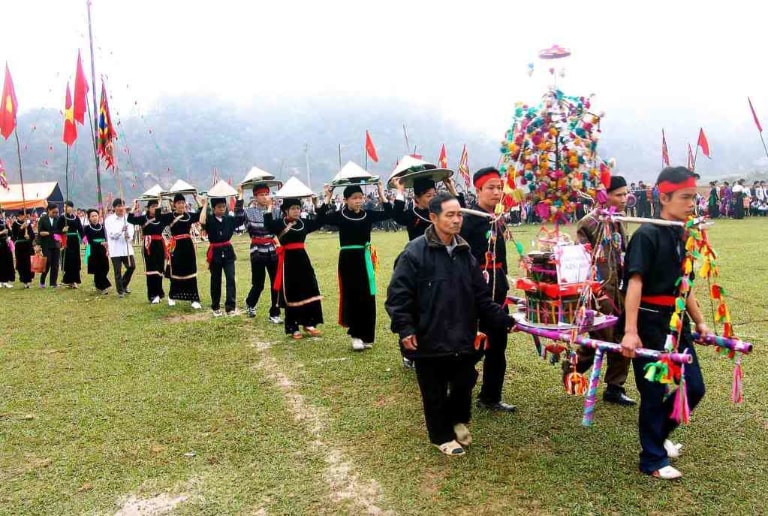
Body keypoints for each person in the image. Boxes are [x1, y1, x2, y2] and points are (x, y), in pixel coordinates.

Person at [386, 192, 513, 456]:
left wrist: (505, 320)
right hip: (428, 333)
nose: (457, 220)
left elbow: (481, 296)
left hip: (462, 332)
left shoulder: (465, 253)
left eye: (459, 215)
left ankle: (457, 420)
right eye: (450, 215)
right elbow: (398, 296)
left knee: (465, 380)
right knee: (433, 389)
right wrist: (405, 328)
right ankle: (441, 436)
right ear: (433, 218)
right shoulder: (414, 253)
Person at [619, 166, 710, 480]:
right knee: (653, 392)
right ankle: (652, 460)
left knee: (694, 387)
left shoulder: (683, 233)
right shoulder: (646, 234)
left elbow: (685, 284)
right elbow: (634, 284)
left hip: (676, 322)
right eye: (685, 197)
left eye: (693, 197)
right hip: (648, 323)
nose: (691, 204)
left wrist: (700, 323)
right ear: (663, 196)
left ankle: (659, 434)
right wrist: (630, 332)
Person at [574, 176, 635, 406]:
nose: (623, 199)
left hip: (621, 288)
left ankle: (615, 387)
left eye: (624, 194)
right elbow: (581, 259)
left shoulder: (619, 219)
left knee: (622, 336)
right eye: (618, 194)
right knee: (600, 339)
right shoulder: (588, 222)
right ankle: (573, 368)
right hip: (599, 291)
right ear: (605, 195)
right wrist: (594, 290)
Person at [391, 176, 464, 368]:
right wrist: (399, 190)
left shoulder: (443, 214)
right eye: (428, 196)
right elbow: (396, 214)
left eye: (434, 194)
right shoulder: (413, 215)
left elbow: (460, 210)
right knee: (415, 309)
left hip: (441, 266)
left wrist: (450, 187)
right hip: (417, 267)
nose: (432, 199)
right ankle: (409, 352)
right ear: (417, 199)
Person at [459, 167, 516, 413]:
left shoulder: (497, 218)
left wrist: (503, 281)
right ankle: (453, 388)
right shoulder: (468, 220)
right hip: (476, 292)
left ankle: (490, 396)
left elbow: (500, 256)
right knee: (472, 345)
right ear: (478, 190)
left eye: (498, 187)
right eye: (490, 188)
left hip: (498, 288)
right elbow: (462, 259)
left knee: (498, 345)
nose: (496, 192)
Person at [316, 182, 392, 351]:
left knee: (368, 295)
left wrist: (381, 192)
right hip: (348, 260)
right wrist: (328, 196)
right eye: (354, 198)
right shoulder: (340, 215)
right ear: (346, 200)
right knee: (353, 295)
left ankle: (367, 335)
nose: (358, 201)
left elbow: (390, 213)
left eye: (360, 197)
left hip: (365, 259)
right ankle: (355, 335)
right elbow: (320, 219)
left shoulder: (368, 214)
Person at [264, 197, 323, 339]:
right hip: (288, 262)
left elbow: (320, 221)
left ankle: (309, 323)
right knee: (292, 292)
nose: (296, 211)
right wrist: (269, 206)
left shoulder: (304, 223)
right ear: (286, 211)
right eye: (293, 208)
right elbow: (268, 224)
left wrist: (316, 204)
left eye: (298, 208)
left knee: (309, 289)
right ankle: (292, 327)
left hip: (303, 260)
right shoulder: (279, 224)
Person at [199, 193, 247, 316]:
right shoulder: (209, 219)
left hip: (228, 251)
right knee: (216, 280)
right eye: (219, 207)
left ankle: (230, 307)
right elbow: (201, 221)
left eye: (223, 206)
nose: (222, 209)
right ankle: (215, 307)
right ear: (214, 208)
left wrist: (240, 197)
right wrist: (204, 205)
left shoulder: (229, 219)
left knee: (231, 278)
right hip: (215, 252)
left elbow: (240, 218)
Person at [243, 183, 282, 323]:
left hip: (273, 249)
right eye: (261, 195)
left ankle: (275, 313)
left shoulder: (276, 211)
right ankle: (250, 303)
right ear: (255, 197)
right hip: (257, 250)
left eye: (267, 194)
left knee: (276, 283)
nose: (265, 197)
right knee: (258, 283)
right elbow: (237, 215)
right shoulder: (248, 212)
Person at [158, 194, 203, 309]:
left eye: (183, 203)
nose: (181, 205)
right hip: (176, 246)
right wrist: (159, 201)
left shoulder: (189, 216)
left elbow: (201, 214)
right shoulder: (169, 216)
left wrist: (196, 198)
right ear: (174, 204)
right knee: (176, 271)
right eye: (178, 203)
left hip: (188, 246)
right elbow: (158, 217)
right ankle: (172, 296)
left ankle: (194, 299)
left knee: (191, 270)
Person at [129, 199, 167, 304]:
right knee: (151, 270)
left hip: (159, 245)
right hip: (148, 246)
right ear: (148, 208)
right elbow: (130, 219)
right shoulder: (143, 218)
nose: (155, 208)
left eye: (156, 206)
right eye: (152, 206)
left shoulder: (161, 218)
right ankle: (152, 295)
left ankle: (159, 293)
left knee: (159, 269)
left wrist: (162, 201)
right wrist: (134, 206)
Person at [105, 198, 136, 298]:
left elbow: (131, 232)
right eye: (118, 206)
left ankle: (123, 284)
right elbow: (111, 234)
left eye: (122, 205)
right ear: (114, 208)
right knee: (117, 271)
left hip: (127, 248)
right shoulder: (109, 220)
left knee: (132, 267)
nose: (121, 208)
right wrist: (121, 230)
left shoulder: (128, 219)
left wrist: (129, 236)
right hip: (115, 249)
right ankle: (120, 291)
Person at [57, 200, 84, 288]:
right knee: (68, 260)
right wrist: (62, 231)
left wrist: (85, 239)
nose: (65, 208)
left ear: (71, 208)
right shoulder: (61, 218)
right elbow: (56, 231)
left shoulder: (76, 218)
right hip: (66, 240)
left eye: (67, 206)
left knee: (75, 260)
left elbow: (80, 230)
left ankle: (75, 280)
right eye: (64, 207)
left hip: (75, 241)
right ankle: (69, 280)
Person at [83, 208, 111, 293]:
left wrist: (106, 244)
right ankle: (101, 287)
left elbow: (106, 238)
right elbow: (88, 240)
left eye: (96, 215)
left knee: (105, 267)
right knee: (97, 268)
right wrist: (99, 243)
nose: (94, 217)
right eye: (92, 216)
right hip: (94, 249)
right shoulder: (87, 228)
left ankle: (97, 282)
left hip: (103, 249)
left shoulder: (103, 227)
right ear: (89, 218)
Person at [36, 203, 61, 288]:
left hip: (56, 244)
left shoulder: (58, 219)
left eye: (57, 212)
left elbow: (59, 231)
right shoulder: (43, 219)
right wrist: (38, 245)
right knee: (48, 262)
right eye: (54, 212)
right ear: (48, 210)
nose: (55, 214)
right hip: (46, 244)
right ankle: (42, 280)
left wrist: (62, 232)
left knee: (55, 264)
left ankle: (53, 283)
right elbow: (40, 233)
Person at [11, 210, 35, 288]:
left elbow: (32, 235)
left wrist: (29, 237)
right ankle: (24, 281)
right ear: (20, 216)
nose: (26, 217)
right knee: (21, 264)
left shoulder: (28, 224)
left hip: (28, 246)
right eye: (24, 216)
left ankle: (29, 280)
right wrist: (21, 228)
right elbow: (14, 236)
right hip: (20, 247)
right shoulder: (15, 224)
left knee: (29, 264)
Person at [0, 211, 15, 287]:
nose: (2, 215)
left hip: (5, 245)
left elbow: (10, 233)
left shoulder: (4, 223)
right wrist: (2, 232)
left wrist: (9, 238)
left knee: (7, 262)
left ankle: (5, 280)